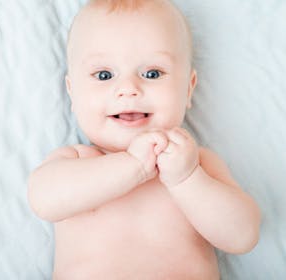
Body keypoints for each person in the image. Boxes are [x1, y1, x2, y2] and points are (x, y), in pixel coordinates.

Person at [28, 0, 261, 278]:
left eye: (152, 73)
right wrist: (133, 166)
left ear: (188, 88)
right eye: (104, 75)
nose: (128, 88)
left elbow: (243, 236)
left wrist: (186, 180)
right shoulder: (75, 161)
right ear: (72, 93)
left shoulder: (197, 165)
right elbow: (43, 201)